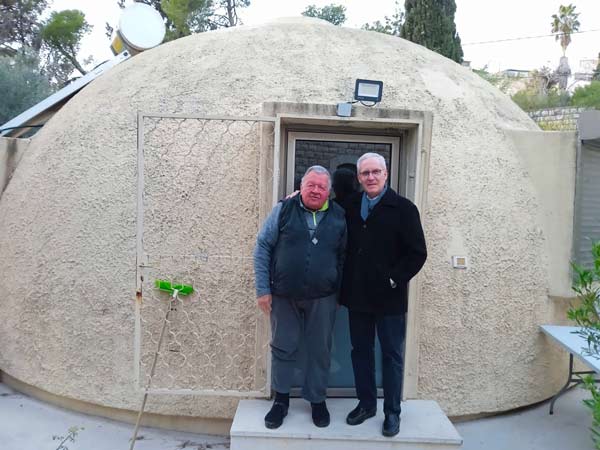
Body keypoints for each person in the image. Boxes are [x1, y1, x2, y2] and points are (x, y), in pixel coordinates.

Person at [340, 152, 427, 437]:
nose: (371, 177)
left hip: (389, 298)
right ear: (359, 177)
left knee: (391, 356)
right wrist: (293, 199)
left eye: (376, 172)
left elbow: (417, 253)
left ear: (386, 174)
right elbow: (324, 209)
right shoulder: (350, 204)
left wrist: (393, 279)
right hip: (357, 296)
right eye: (365, 173)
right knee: (360, 352)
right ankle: (366, 405)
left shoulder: (404, 208)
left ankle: (392, 412)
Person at [253, 165, 347, 429]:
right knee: (283, 347)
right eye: (311, 185)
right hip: (284, 294)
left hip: (324, 296)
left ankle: (317, 400)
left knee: (320, 350)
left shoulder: (339, 216)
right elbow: (262, 247)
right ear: (301, 187)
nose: (316, 190)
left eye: (321, 187)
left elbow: (343, 257)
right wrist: (263, 289)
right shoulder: (283, 210)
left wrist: (339, 293)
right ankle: (281, 401)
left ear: (329, 192)